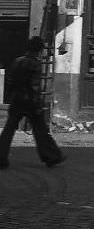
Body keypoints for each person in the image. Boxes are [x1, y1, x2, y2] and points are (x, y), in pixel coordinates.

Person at [0, 36, 65, 169]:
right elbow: (34, 86)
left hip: (17, 100)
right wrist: (37, 105)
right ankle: (51, 156)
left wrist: (12, 96)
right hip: (29, 101)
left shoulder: (17, 61)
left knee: (8, 130)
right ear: (39, 50)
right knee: (40, 130)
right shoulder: (35, 64)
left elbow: (10, 82)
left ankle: (1, 157)